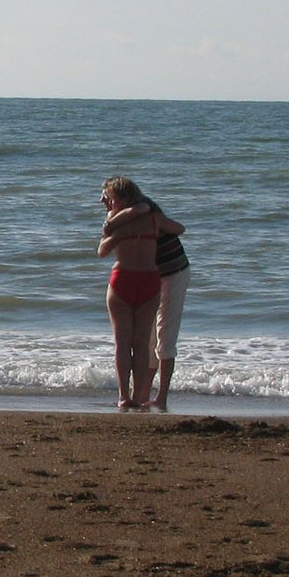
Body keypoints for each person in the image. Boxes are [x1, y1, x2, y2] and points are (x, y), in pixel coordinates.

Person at [103, 191, 189, 412]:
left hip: (173, 271)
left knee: (165, 336)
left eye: (106, 196)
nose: (102, 201)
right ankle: (141, 395)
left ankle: (161, 397)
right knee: (148, 339)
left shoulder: (145, 212)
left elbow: (178, 228)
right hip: (151, 277)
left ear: (121, 197)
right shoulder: (125, 216)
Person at [96, 176, 161, 412]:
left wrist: (116, 233)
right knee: (140, 343)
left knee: (123, 343)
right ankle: (136, 396)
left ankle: (125, 396)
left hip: (123, 280)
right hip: (148, 280)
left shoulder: (115, 221)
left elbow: (102, 251)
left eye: (110, 199)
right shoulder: (152, 217)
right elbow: (178, 228)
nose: (107, 203)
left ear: (121, 198)